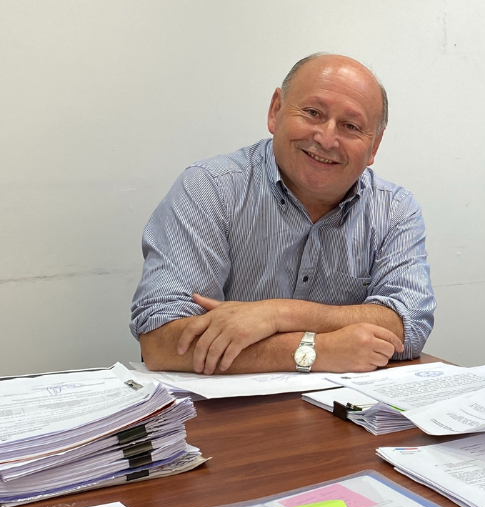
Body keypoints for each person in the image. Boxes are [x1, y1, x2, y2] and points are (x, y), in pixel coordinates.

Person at [131, 54, 435, 375]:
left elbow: (408, 324)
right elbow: (162, 340)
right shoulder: (209, 188)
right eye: (313, 113)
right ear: (275, 110)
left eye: (350, 126)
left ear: (374, 145)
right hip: (220, 415)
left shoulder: (395, 209)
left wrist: (278, 314)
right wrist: (316, 350)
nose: (326, 138)